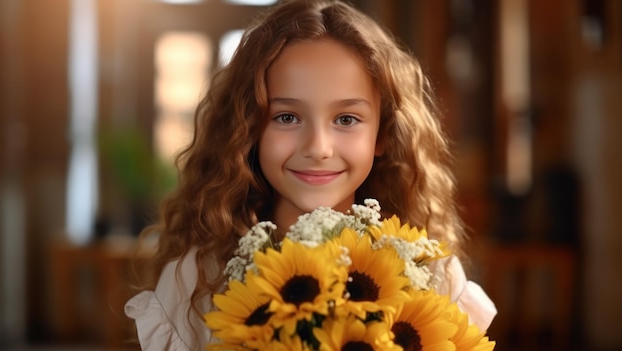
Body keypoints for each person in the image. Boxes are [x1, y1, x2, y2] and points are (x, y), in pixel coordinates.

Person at [124, 0, 497, 350]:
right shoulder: (195, 279)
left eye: (346, 119)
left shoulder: (433, 275)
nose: (318, 147)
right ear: (248, 128)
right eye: (287, 117)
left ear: (382, 134)